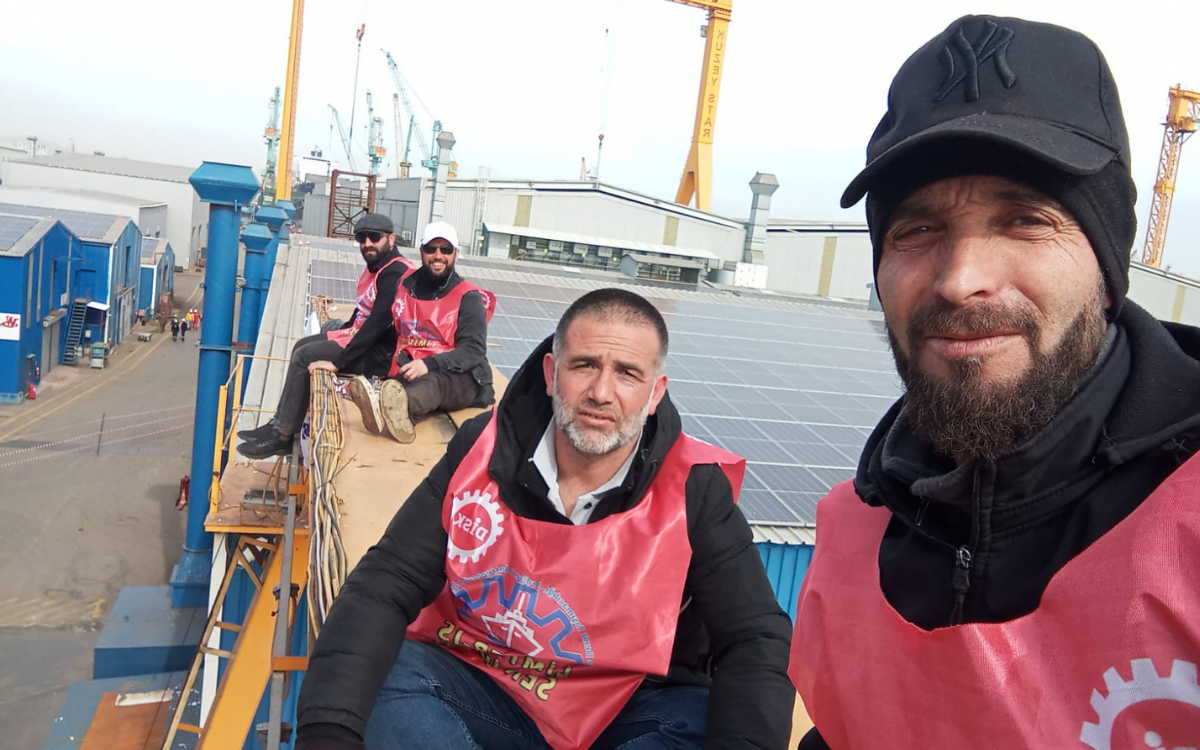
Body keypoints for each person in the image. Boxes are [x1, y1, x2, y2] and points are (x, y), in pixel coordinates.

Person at [789, 15, 1200, 749]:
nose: (959, 280)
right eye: (916, 231)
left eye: (1025, 220)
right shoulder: (853, 530)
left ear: (1107, 269)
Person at [296, 288, 793, 750]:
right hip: (490, 691)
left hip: (622, 710)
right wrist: (327, 730)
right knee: (384, 670)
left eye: (627, 373)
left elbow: (755, 635)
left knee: (704, 719)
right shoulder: (482, 451)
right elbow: (388, 581)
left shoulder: (694, 487)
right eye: (585, 365)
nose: (601, 391)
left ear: (655, 392)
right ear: (552, 372)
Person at [237, 213, 415, 459]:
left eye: (374, 237)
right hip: (365, 340)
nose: (367, 244)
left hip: (384, 354)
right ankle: (281, 421)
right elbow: (363, 312)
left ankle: (283, 436)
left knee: (305, 356)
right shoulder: (379, 267)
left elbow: (376, 325)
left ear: (391, 239)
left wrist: (338, 362)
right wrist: (341, 331)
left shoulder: (396, 273)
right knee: (301, 345)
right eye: (361, 238)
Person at [347, 221, 496, 443]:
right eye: (431, 249)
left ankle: (401, 412)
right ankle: (383, 404)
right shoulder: (406, 287)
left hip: (460, 375)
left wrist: (429, 364)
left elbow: (473, 350)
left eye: (445, 250)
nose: (438, 256)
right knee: (397, 382)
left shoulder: (468, 297)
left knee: (432, 384)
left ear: (455, 254)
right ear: (421, 251)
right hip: (414, 366)